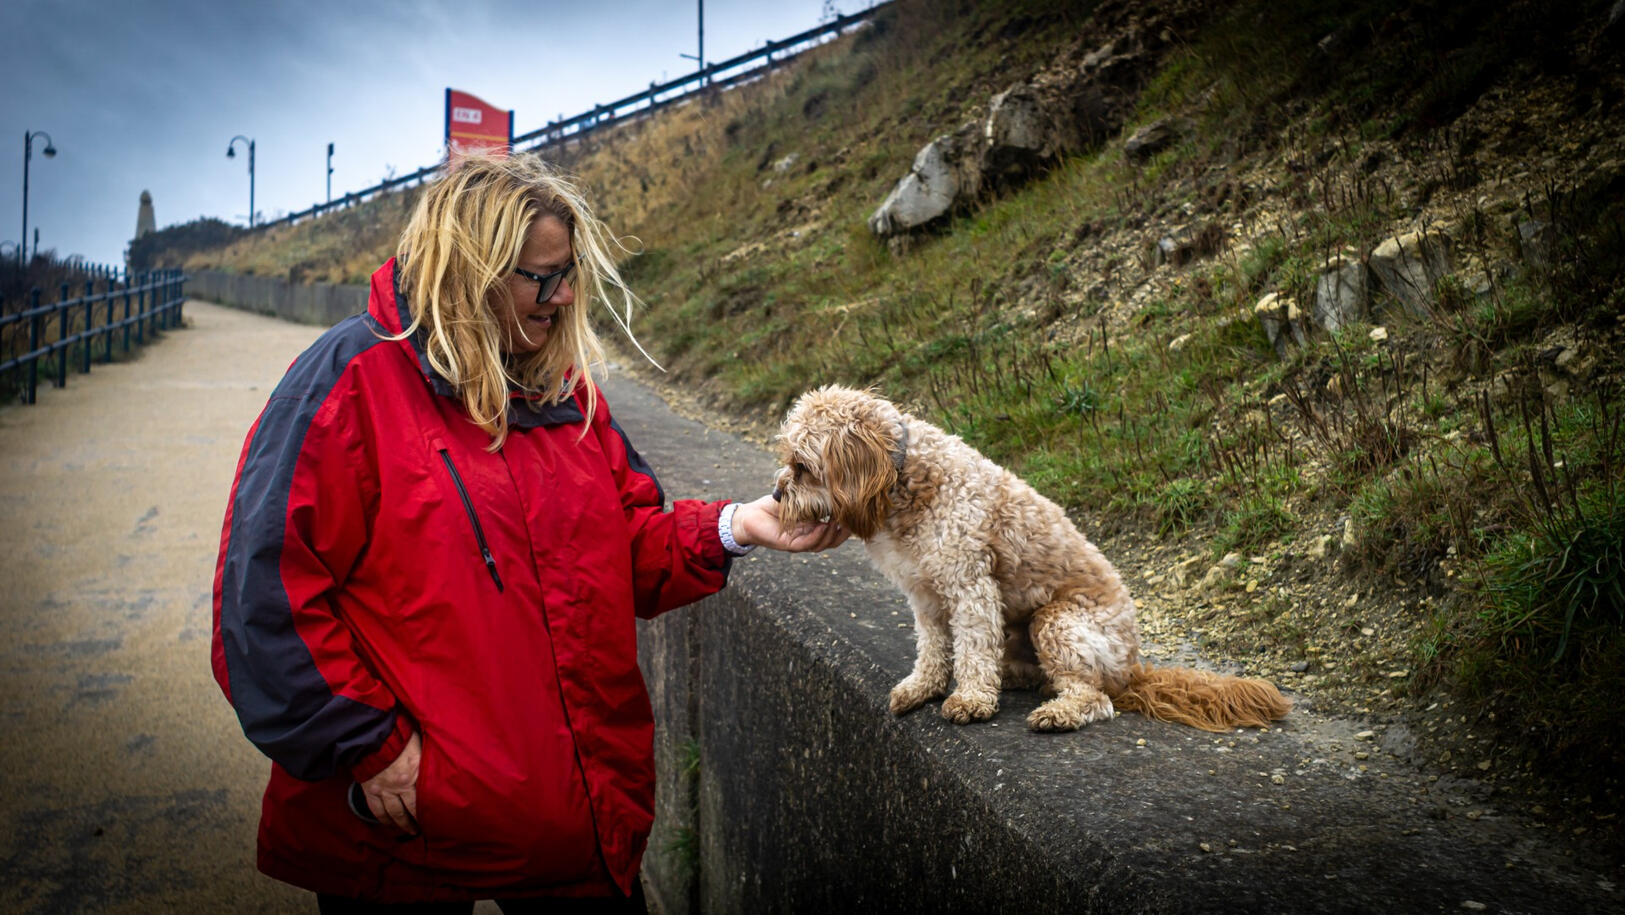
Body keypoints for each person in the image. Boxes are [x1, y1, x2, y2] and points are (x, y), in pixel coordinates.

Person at [211, 151, 847, 912]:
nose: (565, 294)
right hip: (402, 829)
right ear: (472, 272)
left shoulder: (563, 390)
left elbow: (620, 549)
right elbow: (263, 603)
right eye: (542, 276)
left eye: (568, 271)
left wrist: (733, 527)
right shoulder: (346, 384)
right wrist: (368, 748)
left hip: (573, 820)